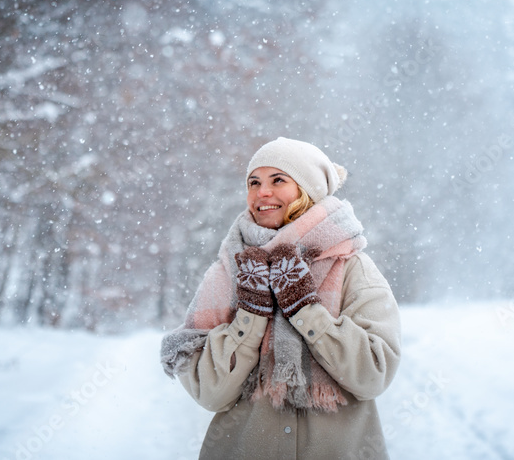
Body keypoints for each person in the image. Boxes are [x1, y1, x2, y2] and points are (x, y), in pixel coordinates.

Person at [161, 137, 401, 459]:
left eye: (278, 180)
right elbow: (210, 393)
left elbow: (374, 374)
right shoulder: (231, 269)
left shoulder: (352, 266)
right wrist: (250, 317)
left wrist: (305, 310)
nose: (262, 192)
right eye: (254, 182)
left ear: (308, 190)